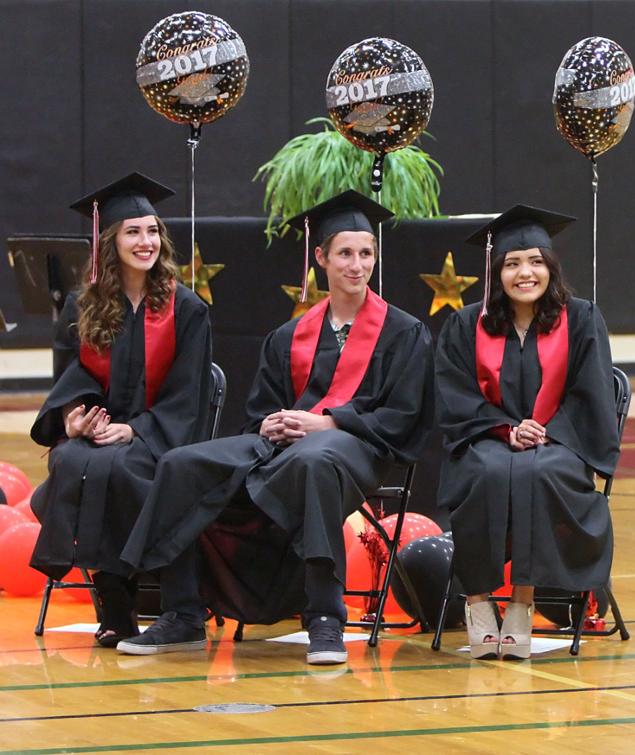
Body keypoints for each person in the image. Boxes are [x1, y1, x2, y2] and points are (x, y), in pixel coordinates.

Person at [118, 191, 433, 665]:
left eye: (366, 253)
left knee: (316, 457)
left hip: (360, 450)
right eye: (345, 253)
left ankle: (325, 618)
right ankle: (182, 614)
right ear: (321, 257)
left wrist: (328, 422)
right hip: (283, 451)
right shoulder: (289, 336)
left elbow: (404, 417)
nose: (357, 264)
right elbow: (259, 412)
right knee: (182, 463)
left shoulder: (403, 332)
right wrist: (274, 423)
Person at [29, 173, 213, 647]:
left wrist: (135, 430)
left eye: (152, 231)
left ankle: (177, 609)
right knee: (71, 458)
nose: (146, 241)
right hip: (101, 435)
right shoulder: (82, 306)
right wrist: (74, 417)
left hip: (160, 438)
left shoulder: (186, 309)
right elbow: (73, 380)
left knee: (123, 469)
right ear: (109, 242)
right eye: (133, 232)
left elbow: (189, 395)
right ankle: (115, 609)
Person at [435, 205, 620, 660]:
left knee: (540, 474)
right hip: (487, 438)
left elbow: (591, 393)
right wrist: (502, 428)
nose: (525, 273)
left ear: (550, 268)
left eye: (536, 261)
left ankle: (522, 602)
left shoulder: (580, 319)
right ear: (496, 270)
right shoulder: (466, 324)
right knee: (488, 472)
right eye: (513, 263)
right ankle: (478, 604)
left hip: (558, 441)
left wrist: (545, 432)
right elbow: (453, 393)